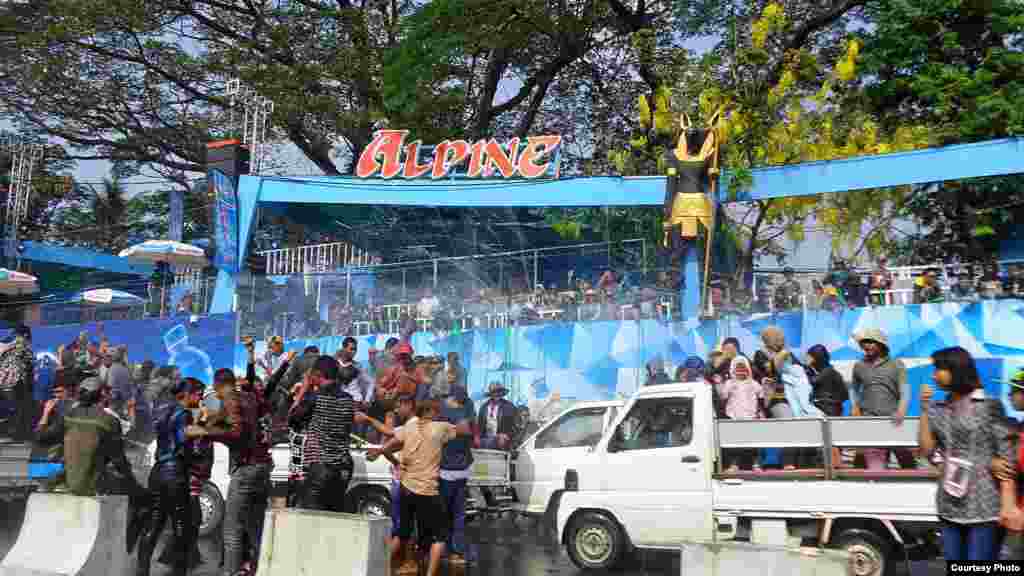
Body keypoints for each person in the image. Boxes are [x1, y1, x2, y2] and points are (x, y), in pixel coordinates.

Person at [919, 346, 1017, 562]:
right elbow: (928, 450)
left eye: (939, 369)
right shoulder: (938, 407)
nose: (934, 374)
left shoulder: (989, 405)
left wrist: (1008, 504)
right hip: (949, 504)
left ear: (957, 369)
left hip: (984, 504)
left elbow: (1006, 454)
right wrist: (924, 409)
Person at [368, 398, 473, 576]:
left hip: (407, 487)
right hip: (427, 489)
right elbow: (465, 429)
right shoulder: (441, 428)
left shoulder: (409, 426)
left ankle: (377, 568)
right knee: (439, 536)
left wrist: (397, 464)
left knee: (402, 534)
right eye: (438, 410)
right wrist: (454, 414)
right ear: (431, 412)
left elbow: (386, 448)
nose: (439, 413)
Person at [205, 366, 274, 576]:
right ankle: (258, 570)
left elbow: (235, 433)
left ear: (219, 385)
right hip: (262, 467)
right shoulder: (250, 398)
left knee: (232, 529)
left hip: (245, 468)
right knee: (255, 527)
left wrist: (209, 432)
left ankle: (231, 572)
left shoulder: (230, 400)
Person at [137, 378, 208, 576]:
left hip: (158, 472)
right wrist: (202, 421)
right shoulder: (182, 413)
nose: (201, 397)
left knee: (153, 524)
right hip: (175, 474)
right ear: (187, 394)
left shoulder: (163, 410)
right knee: (180, 527)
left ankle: (141, 571)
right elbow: (184, 440)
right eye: (198, 393)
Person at [356, 395, 417, 574]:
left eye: (399, 407)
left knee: (403, 526)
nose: (396, 411)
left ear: (409, 405)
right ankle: (403, 561)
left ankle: (386, 562)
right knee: (404, 525)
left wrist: (382, 452)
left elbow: (390, 440)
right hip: (403, 480)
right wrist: (368, 419)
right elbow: (389, 434)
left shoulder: (413, 425)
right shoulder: (409, 425)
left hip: (408, 482)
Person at [292, 357, 355, 512]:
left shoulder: (315, 397)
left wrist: (304, 389)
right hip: (343, 466)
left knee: (313, 519)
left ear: (318, 374)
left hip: (321, 466)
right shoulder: (348, 399)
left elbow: (292, 418)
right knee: (334, 516)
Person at [850, 328, 912, 470]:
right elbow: (853, 389)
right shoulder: (858, 365)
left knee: (904, 458)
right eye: (864, 342)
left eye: (871, 342)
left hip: (892, 418)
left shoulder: (897, 364)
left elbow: (905, 390)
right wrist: (854, 406)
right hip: (867, 419)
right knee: (861, 461)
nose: (867, 345)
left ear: (881, 344)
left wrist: (901, 411)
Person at [439, 387, 476, 565]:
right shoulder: (466, 410)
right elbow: (469, 432)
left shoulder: (447, 411)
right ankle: (454, 551)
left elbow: (466, 431)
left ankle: (450, 550)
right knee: (456, 514)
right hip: (457, 470)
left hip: (449, 470)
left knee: (449, 514)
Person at [718, 356, 765, 471]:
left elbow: (761, 395)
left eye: (743, 369)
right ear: (732, 370)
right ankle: (734, 464)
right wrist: (719, 384)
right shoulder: (729, 383)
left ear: (748, 370)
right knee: (734, 444)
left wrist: (766, 385)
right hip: (734, 417)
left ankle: (756, 463)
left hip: (751, 418)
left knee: (753, 443)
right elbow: (723, 395)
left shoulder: (753, 383)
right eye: (737, 369)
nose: (740, 372)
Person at [0, 325, 34, 440]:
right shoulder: (22, 346)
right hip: (14, 383)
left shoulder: (5, 344)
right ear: (25, 335)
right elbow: (29, 361)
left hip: (4, 382)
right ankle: (17, 434)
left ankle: (13, 432)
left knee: (13, 408)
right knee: (18, 408)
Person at [806, 344, 848, 417]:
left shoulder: (828, 371)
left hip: (828, 410)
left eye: (810, 358)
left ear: (818, 358)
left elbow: (812, 382)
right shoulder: (830, 371)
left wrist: (807, 369)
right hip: (828, 409)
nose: (808, 360)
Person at [477, 382, 516, 450]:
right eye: (494, 392)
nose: (497, 394)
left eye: (499, 392)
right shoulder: (484, 407)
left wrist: (506, 435)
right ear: (491, 394)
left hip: (502, 440)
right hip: (486, 439)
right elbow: (479, 426)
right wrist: (477, 437)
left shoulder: (509, 407)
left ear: (502, 393)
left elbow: (515, 426)